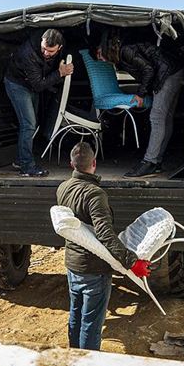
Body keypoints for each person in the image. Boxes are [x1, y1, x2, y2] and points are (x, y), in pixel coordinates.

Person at [56, 141, 153, 350]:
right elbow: (105, 235)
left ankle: (73, 359)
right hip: (94, 270)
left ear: (71, 165)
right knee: (91, 323)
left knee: (76, 314)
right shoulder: (94, 194)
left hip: (73, 266)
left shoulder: (63, 187)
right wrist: (131, 262)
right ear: (94, 163)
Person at [97, 35, 183, 178]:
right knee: (165, 118)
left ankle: (149, 162)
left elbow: (148, 69)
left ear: (107, 50)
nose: (99, 58)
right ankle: (157, 161)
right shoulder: (123, 53)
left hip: (168, 73)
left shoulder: (125, 51)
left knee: (157, 117)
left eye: (99, 53)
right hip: (173, 70)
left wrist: (141, 94)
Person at [5, 28, 75, 177]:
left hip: (31, 84)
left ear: (59, 47)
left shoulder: (61, 47)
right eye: (44, 49)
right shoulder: (28, 53)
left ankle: (20, 160)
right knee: (28, 124)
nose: (46, 53)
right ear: (41, 41)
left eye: (50, 51)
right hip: (17, 84)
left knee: (32, 124)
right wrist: (60, 73)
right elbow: (38, 85)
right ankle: (27, 167)